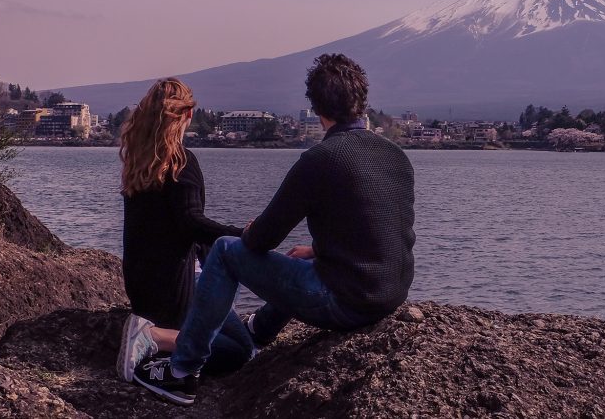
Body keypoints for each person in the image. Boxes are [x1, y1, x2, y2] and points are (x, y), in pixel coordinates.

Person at [132, 54, 416, 405]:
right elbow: (387, 232)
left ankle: (180, 372)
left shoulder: (320, 159)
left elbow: (264, 238)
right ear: (362, 100)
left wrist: (250, 232)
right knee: (300, 257)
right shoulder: (395, 155)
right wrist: (315, 251)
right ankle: (260, 329)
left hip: (347, 303)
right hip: (390, 295)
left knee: (223, 250)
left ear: (315, 107)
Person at [115, 78, 255, 383]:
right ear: (188, 115)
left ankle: (158, 336)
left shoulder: (139, 161)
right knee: (241, 352)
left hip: (143, 288)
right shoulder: (180, 161)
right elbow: (191, 222)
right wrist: (242, 236)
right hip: (174, 292)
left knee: (240, 337)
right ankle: (153, 338)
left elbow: (175, 228)